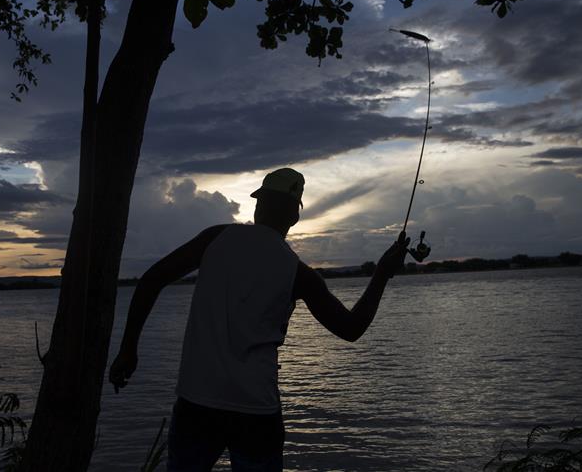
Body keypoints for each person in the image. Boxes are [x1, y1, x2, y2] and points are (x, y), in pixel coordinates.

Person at [108, 167, 411, 471]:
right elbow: (351, 328)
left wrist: (128, 350)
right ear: (295, 215)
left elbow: (151, 280)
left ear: (258, 206)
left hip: (196, 405)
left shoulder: (214, 238)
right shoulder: (299, 274)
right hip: (256, 413)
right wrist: (382, 273)